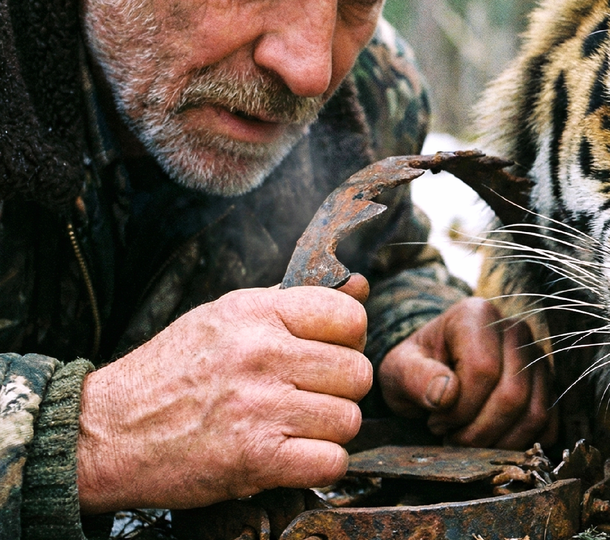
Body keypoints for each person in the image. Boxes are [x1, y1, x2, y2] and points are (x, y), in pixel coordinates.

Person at [0, 0, 555, 536]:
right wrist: (86, 434)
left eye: (358, 1)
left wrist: (410, 337)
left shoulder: (372, 91)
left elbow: (388, 264)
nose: (310, 70)